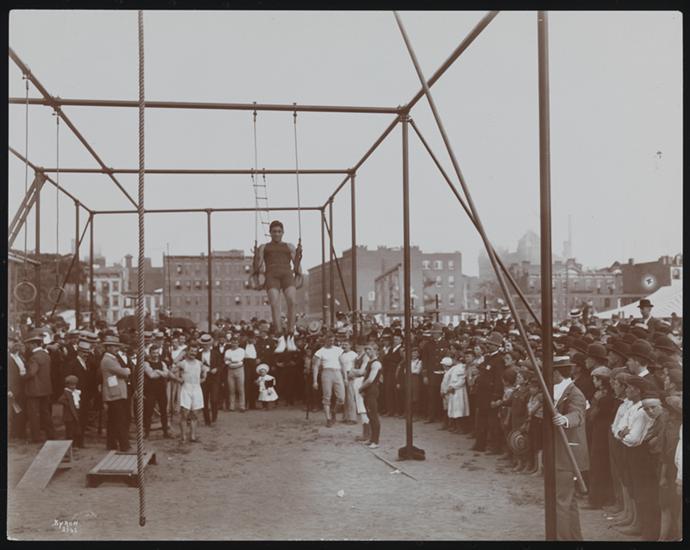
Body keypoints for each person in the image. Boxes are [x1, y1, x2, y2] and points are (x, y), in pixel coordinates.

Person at [551, 355, 589, 541]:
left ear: (556, 373)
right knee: (568, 500)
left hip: (569, 454)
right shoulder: (560, 390)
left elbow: (578, 415)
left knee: (561, 500)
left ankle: (563, 539)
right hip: (561, 451)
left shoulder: (575, 393)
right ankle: (574, 538)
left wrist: (565, 419)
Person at [250, 220, 302, 353]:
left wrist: (299, 276)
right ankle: (280, 336)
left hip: (287, 275)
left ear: (283, 232)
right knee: (274, 304)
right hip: (272, 276)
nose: (277, 234)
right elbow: (258, 265)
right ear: (270, 233)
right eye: (274, 231)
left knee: (292, 301)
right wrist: (256, 270)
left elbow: (296, 264)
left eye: (279, 231)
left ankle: (290, 334)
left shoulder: (289, 246)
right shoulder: (264, 247)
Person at [100, 335, 131, 451]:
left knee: (113, 420)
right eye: (114, 346)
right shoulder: (108, 360)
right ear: (108, 347)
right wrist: (127, 370)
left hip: (114, 392)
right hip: (115, 393)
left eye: (117, 346)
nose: (117, 349)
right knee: (119, 420)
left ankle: (112, 444)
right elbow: (124, 372)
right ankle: (124, 445)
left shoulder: (112, 359)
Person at [24, 332, 56, 443]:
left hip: (34, 390)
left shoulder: (34, 357)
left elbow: (31, 373)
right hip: (45, 389)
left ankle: (35, 438)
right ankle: (51, 434)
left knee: (34, 414)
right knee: (45, 413)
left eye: (29, 345)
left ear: (33, 345)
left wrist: (22, 376)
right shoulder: (46, 355)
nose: (28, 347)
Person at [172, 342, 206, 443]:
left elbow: (205, 372)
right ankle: (183, 437)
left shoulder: (199, 363)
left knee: (195, 414)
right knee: (184, 413)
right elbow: (171, 371)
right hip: (186, 389)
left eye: (195, 351)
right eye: (191, 351)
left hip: (197, 389)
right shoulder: (183, 363)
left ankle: (193, 436)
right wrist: (178, 379)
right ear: (187, 352)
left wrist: (203, 378)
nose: (193, 353)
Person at [312, 333, 344, 427]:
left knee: (341, 398)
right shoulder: (320, 352)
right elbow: (316, 366)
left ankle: (334, 411)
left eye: (333, 340)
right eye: (330, 340)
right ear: (325, 340)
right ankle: (328, 419)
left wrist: (345, 377)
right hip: (326, 373)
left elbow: (342, 364)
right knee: (327, 396)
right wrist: (315, 381)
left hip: (337, 372)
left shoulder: (338, 350)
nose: (332, 342)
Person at [143, 343, 172, 439]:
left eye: (157, 353)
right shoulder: (146, 363)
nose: (155, 355)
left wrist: (157, 371)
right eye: (153, 353)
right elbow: (151, 375)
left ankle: (165, 432)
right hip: (150, 391)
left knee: (164, 412)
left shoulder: (162, 363)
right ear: (150, 353)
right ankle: (146, 433)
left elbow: (166, 374)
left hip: (161, 390)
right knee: (148, 412)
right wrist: (161, 372)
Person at [359, 342, 383, 449]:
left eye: (370, 349)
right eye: (366, 349)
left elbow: (370, 380)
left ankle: (376, 441)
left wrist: (360, 388)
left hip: (372, 390)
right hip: (367, 390)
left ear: (376, 350)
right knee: (369, 415)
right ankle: (372, 439)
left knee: (373, 416)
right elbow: (364, 375)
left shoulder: (376, 363)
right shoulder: (370, 362)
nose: (367, 352)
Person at [8, 338, 27, 440]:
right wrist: (8, 390)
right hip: (13, 389)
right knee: (15, 412)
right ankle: (14, 433)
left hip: (22, 387)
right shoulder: (9, 359)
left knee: (21, 411)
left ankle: (20, 433)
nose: (18, 348)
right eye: (16, 346)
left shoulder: (21, 358)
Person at [57, 375, 83, 448]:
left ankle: (74, 445)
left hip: (74, 415)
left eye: (74, 385)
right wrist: (68, 404)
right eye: (71, 385)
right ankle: (69, 446)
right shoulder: (66, 393)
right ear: (67, 385)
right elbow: (60, 400)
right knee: (69, 432)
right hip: (68, 416)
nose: (73, 387)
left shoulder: (75, 392)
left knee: (75, 431)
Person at [224, 335, 246, 412]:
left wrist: (231, 359)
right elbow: (226, 362)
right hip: (230, 370)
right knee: (231, 389)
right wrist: (235, 360)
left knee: (240, 389)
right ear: (231, 343)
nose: (234, 344)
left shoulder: (242, 350)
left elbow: (240, 359)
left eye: (236, 343)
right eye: (233, 343)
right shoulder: (228, 351)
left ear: (238, 343)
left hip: (240, 370)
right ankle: (232, 406)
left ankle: (242, 406)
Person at [339, 339, 358, 424]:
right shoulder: (341, 354)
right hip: (342, 375)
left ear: (350, 345)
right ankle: (345, 417)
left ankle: (352, 418)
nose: (344, 346)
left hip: (350, 375)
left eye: (346, 344)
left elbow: (356, 366)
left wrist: (352, 374)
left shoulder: (354, 354)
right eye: (343, 344)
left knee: (350, 397)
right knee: (344, 397)